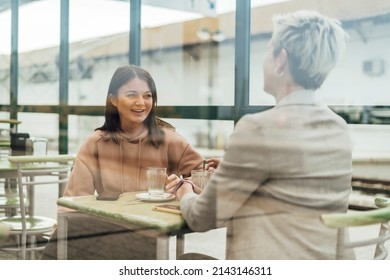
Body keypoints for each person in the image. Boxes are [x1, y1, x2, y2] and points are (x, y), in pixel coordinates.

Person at [166, 10, 354, 259]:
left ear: (281, 60)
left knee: (186, 260)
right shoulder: (338, 126)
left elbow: (202, 218)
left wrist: (184, 192)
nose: (264, 59)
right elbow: (295, 184)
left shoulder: (258, 128)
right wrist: (236, 170)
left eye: (268, 50)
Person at [41, 65, 205, 259]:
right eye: (131, 95)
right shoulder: (97, 142)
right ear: (113, 100)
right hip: (106, 229)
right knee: (70, 231)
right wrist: (61, 230)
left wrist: (183, 186)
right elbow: (74, 201)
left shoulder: (169, 139)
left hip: (150, 234)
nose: (141, 102)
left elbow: (205, 177)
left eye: (147, 96)